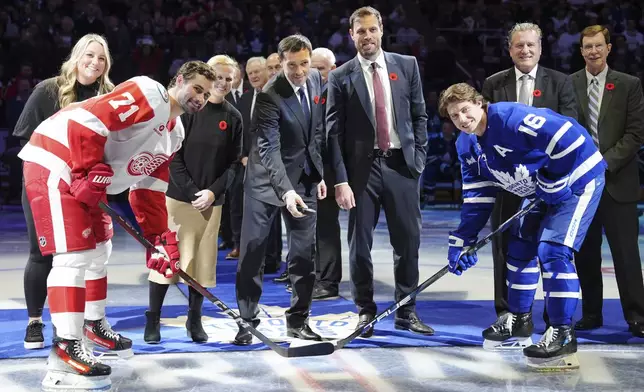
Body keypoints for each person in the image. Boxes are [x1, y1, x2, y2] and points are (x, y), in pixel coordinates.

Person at [18, 61, 216, 391]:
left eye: (207, 95)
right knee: (74, 256)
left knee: (100, 248)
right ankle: (66, 346)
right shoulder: (149, 93)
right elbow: (87, 121)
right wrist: (87, 169)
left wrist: (157, 238)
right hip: (57, 161)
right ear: (178, 80)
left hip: (86, 175)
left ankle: (92, 325)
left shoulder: (175, 133)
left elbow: (149, 187)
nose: (201, 97)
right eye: (197, 88)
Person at [438, 82, 606, 370]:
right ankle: (519, 321)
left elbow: (569, 137)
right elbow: (478, 196)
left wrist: (553, 180)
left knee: (553, 250)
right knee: (519, 248)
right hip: (544, 189)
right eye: (454, 116)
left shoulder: (511, 119)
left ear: (480, 103)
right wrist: (462, 240)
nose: (462, 120)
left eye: (465, 110)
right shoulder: (465, 145)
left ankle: (563, 334)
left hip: (579, 179)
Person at [326, 6, 433, 336]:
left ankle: (406, 310)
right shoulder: (340, 76)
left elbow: (420, 116)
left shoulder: (407, 65)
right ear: (352, 35)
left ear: (382, 31)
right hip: (362, 172)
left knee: (409, 243)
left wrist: (419, 160)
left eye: (372, 30)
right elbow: (333, 134)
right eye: (361, 31)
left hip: (402, 165)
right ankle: (365, 311)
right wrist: (340, 180)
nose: (367, 36)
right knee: (360, 246)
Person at [12, 34, 115, 350]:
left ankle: (81, 323)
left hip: (88, 189)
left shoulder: (110, 95)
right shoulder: (48, 90)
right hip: (46, 185)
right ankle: (34, 322)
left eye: (101, 58)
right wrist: (61, 170)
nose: (94, 63)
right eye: (89, 55)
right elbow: (24, 140)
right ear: (76, 56)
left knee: (87, 254)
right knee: (42, 254)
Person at [481, 22, 577, 323]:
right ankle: (508, 313)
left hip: (549, 181)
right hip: (508, 182)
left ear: (540, 48)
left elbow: (569, 129)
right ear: (510, 49)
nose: (525, 50)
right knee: (505, 246)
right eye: (519, 45)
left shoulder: (560, 83)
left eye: (530, 45)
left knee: (549, 248)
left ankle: (553, 317)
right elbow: (484, 134)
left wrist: (540, 169)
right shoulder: (493, 84)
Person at [234, 34, 327, 345]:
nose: (299, 71)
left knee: (304, 255)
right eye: (292, 65)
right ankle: (247, 320)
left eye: (304, 64)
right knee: (253, 253)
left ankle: (299, 319)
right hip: (265, 183)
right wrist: (286, 192)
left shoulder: (315, 80)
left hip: (304, 180)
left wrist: (320, 174)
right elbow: (270, 149)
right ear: (281, 63)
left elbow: (314, 133)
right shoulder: (269, 95)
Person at [144, 55, 243, 344]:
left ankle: (194, 319)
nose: (223, 83)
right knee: (166, 261)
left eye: (228, 78)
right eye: (218, 77)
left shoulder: (233, 117)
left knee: (201, 265)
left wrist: (212, 192)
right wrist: (191, 191)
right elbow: (172, 156)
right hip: (177, 198)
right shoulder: (187, 111)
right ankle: (154, 318)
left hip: (212, 204)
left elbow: (235, 163)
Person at [570, 25, 644, 337]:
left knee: (626, 255)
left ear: (609, 48)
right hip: (581, 186)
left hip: (617, 183)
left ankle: (637, 316)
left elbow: (636, 133)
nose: (593, 51)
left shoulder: (629, 84)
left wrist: (603, 162)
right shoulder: (568, 84)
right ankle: (591, 314)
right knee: (585, 255)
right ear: (581, 50)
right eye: (587, 46)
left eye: (598, 45)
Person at [310, 47, 341, 300]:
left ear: (332, 69)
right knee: (316, 226)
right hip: (312, 169)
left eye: (320, 68)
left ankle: (329, 281)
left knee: (327, 227)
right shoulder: (311, 91)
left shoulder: (337, 93)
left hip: (330, 170)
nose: (315, 73)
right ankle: (319, 276)